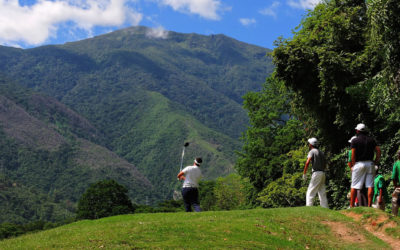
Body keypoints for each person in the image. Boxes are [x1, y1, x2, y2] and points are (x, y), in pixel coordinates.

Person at [350, 123, 381, 207]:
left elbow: (353, 153)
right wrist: (376, 161)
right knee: (370, 185)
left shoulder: (355, 140)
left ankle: (352, 205)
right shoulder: (371, 140)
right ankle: (369, 205)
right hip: (370, 164)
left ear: (357, 131)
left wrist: (353, 164)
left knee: (354, 185)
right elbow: (378, 150)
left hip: (359, 163)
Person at [303, 138, 328, 208]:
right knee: (322, 191)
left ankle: (309, 208)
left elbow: (307, 162)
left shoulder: (312, 151)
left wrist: (304, 173)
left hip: (316, 173)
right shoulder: (321, 152)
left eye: (309, 144)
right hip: (323, 173)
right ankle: (325, 207)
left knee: (310, 191)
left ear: (311, 144)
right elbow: (325, 163)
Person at [347, 136, 367, 206]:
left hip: (356, 169)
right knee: (363, 188)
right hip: (365, 168)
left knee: (355, 187)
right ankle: (365, 204)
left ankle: (355, 204)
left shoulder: (351, 151)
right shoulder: (363, 149)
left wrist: (352, 168)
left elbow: (349, 162)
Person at [391, 150, 400, 216]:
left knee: (395, 201)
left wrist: (395, 186)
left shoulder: (397, 164)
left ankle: (394, 218)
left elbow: (393, 177)